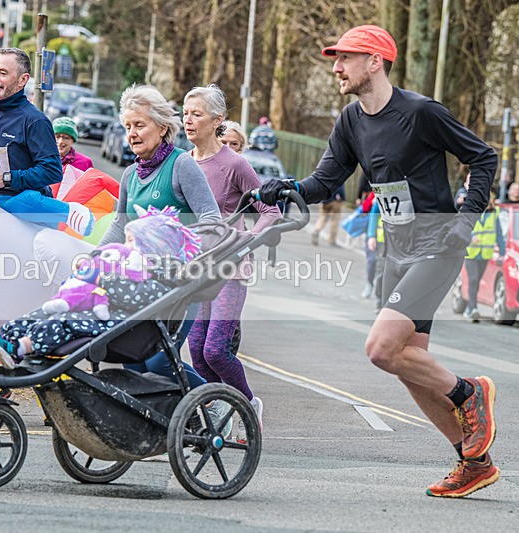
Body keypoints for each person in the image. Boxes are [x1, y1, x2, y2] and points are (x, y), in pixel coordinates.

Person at [258, 24, 500, 498]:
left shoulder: (421, 112)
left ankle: (469, 393)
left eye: (345, 58)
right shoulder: (351, 120)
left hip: (438, 244)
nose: (336, 67)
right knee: (407, 364)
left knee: (380, 349)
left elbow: (484, 157)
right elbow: (326, 181)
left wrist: (467, 220)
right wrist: (287, 190)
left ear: (375, 61)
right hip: (397, 247)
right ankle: (474, 462)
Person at [0, 206, 200, 368]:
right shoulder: (123, 263)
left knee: (61, 323)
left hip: (116, 325)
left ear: (151, 248)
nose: (125, 246)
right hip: (95, 312)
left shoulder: (155, 278)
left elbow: (133, 297)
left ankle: (18, 348)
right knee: (44, 312)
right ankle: (0, 341)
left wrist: (102, 277)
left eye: (131, 241)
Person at [99, 83, 222, 391]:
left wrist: (174, 239)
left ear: (162, 126)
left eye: (140, 125)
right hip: (140, 285)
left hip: (181, 284)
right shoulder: (129, 175)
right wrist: (92, 259)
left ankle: (218, 402)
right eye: (128, 126)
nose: (132, 133)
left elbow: (212, 220)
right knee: (133, 359)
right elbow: (119, 225)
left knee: (159, 361)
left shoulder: (182, 165)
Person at [182, 84, 281, 439]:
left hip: (231, 269)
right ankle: (219, 408)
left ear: (217, 120)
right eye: (185, 112)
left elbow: (270, 209)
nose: (187, 119)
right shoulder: (182, 162)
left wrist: (247, 242)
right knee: (196, 350)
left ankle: (248, 403)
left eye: (196, 114)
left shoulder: (235, 164)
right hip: (196, 268)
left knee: (216, 349)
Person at [0, 48, 93, 236]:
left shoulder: (35, 121)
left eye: (3, 73)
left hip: (29, 218)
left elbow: (52, 171)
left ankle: (68, 212)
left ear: (22, 80)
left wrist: (7, 178)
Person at [463, 193, 505, 322]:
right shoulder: (472, 211)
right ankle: (473, 308)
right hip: (471, 253)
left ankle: (469, 309)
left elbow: (499, 234)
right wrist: (470, 237)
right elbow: (463, 227)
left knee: (477, 282)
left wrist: (502, 253)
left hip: (485, 254)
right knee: (474, 279)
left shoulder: (494, 214)